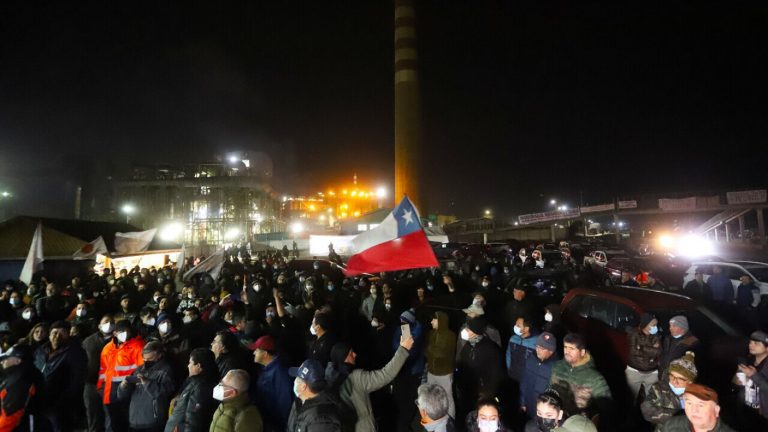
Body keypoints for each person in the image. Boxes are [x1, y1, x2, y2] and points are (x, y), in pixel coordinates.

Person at [328, 334, 413, 431]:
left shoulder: (330, 378)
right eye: (351, 353)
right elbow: (385, 375)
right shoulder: (356, 378)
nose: (355, 354)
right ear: (344, 359)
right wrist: (403, 349)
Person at [33, 320, 87, 431]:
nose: (57, 336)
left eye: (62, 332)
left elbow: (77, 380)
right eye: (54, 332)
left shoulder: (75, 352)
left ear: (68, 334)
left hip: (60, 404)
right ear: (49, 334)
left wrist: (63, 400)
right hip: (39, 401)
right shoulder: (40, 351)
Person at [549, 333, 611, 423]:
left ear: (582, 352)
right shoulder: (557, 367)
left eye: (572, 348)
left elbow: (606, 408)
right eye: (565, 347)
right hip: (556, 420)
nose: (567, 351)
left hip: (579, 424)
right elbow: (549, 390)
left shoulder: (594, 377)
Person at [117, 340, 175, 431]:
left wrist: (147, 382)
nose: (147, 361)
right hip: (134, 421)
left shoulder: (166, 370)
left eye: (150, 358)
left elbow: (164, 394)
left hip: (152, 422)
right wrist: (123, 386)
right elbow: (122, 396)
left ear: (159, 355)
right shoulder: (139, 370)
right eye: (145, 358)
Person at [98, 319, 145, 432]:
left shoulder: (137, 346)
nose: (124, 333)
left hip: (127, 392)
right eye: (120, 331)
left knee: (126, 423)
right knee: (113, 423)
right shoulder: (108, 348)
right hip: (109, 393)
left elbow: (142, 369)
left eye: (126, 330)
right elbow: (103, 369)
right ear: (114, 332)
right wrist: (100, 386)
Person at [456, 317, 504, 422]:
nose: (465, 331)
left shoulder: (491, 349)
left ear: (475, 331)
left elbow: (496, 375)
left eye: (468, 329)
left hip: (483, 395)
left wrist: (487, 393)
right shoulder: (467, 347)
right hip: (468, 392)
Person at [165, 348, 218, 432]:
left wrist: (180, 428)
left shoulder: (201, 388)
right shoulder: (194, 381)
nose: (188, 365)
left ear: (198, 366)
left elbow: (193, 419)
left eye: (190, 363)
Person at [641, 351, 697, 430]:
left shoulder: (698, 395)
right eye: (672, 376)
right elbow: (646, 410)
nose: (674, 381)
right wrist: (679, 418)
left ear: (690, 381)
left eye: (680, 379)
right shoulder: (658, 388)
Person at [251, 336, 293, 432]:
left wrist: (277, 427)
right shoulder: (267, 368)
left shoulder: (280, 372)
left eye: (256, 350)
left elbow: (285, 404)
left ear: (265, 354)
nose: (254, 353)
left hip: (275, 425)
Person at [287, 359, 341, 432]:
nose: (294, 381)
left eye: (297, 378)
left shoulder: (322, 421)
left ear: (303, 386)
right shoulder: (299, 401)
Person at [82, 314, 115, 432]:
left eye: (111, 322)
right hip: (91, 383)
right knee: (93, 414)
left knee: (110, 416)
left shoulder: (119, 340)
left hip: (111, 384)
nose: (109, 324)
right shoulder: (89, 341)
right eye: (106, 322)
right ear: (99, 326)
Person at [659, 384, 734, 431]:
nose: (694, 410)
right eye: (689, 403)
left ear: (716, 410)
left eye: (701, 405)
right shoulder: (671, 426)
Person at [0, 345, 42, 431]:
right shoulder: (16, 374)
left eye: (7, 358)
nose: (2, 361)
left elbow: (10, 418)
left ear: (18, 361)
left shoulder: (21, 380)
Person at [520, 332, 560, 417]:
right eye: (537, 346)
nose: (538, 350)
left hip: (542, 412)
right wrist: (522, 402)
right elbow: (524, 382)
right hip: (527, 407)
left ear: (551, 351)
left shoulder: (557, 368)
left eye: (542, 348)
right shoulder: (531, 359)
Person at [426, 311, 456, 419]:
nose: (431, 322)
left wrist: (430, 349)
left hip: (444, 373)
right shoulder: (432, 334)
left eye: (434, 319)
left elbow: (442, 354)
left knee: (447, 397)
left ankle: (450, 420)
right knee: (432, 397)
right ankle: (435, 418)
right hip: (432, 372)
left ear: (440, 321)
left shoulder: (450, 336)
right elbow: (427, 352)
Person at [625, 313, 661, 402]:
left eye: (656, 325)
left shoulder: (656, 335)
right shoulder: (634, 334)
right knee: (630, 398)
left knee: (652, 400)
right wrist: (652, 348)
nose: (655, 327)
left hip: (652, 372)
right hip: (635, 371)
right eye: (653, 325)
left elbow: (659, 351)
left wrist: (641, 348)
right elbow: (634, 351)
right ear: (646, 324)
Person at [734, 331, 768, 423]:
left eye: (756, 343)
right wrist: (737, 381)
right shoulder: (747, 359)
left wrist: (753, 375)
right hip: (746, 408)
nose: (750, 345)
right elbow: (736, 383)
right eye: (750, 342)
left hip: (763, 415)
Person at [506, 316, 539, 384]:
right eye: (515, 324)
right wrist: (509, 368)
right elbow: (508, 354)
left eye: (518, 325)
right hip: (511, 375)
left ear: (526, 329)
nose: (515, 327)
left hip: (526, 380)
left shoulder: (536, 343)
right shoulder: (513, 339)